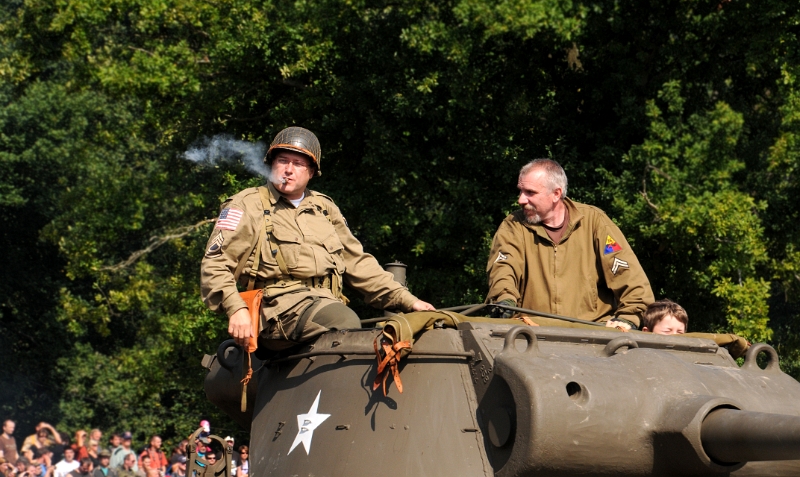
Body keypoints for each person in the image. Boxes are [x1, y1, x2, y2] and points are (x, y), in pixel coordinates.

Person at [200, 126, 435, 350]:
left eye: (298, 164)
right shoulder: (247, 205)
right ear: (271, 165)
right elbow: (215, 264)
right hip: (276, 311)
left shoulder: (323, 208)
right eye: (282, 161)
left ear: (311, 172)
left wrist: (409, 301)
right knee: (344, 323)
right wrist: (236, 308)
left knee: (398, 333)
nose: (288, 169)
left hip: (324, 305)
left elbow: (358, 264)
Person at [486, 159, 655, 329]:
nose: (521, 199)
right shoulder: (514, 226)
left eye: (530, 192)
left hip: (592, 333)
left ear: (556, 194)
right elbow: (504, 267)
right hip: (531, 332)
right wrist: (504, 299)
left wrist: (629, 318)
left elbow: (627, 273)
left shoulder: (594, 222)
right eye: (521, 191)